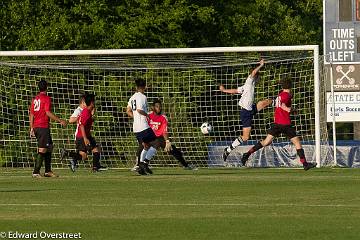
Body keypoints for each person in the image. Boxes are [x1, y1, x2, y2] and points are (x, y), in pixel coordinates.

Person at [241, 78, 317, 171]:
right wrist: (288, 109)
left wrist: (288, 109)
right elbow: (283, 105)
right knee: (297, 142)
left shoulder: (280, 95)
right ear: (291, 86)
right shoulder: (287, 95)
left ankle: (247, 154)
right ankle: (305, 164)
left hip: (277, 123)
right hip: (285, 123)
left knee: (266, 142)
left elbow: (279, 104)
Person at [219, 59, 272, 162]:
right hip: (245, 113)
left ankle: (277, 103)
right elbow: (253, 72)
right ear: (255, 76)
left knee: (264, 102)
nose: (259, 79)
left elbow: (235, 91)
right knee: (246, 137)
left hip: (250, 109)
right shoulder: (249, 80)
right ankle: (228, 149)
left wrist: (224, 90)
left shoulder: (246, 86)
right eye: (258, 77)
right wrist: (261, 65)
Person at [132, 99, 197, 171]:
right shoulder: (148, 115)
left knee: (174, 151)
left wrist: (167, 141)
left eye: (160, 107)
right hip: (149, 137)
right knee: (142, 145)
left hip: (159, 138)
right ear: (153, 107)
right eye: (157, 106)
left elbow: (164, 131)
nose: (159, 108)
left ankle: (186, 165)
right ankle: (138, 165)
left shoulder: (163, 118)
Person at [29, 80, 67, 178]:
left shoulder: (35, 99)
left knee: (50, 147)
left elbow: (32, 114)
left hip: (37, 127)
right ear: (47, 87)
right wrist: (60, 120)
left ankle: (48, 171)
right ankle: (36, 172)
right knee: (42, 149)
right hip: (42, 127)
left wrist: (32, 128)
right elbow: (47, 112)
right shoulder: (46, 98)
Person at [61, 93, 106, 172]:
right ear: (91, 103)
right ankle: (95, 167)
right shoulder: (85, 112)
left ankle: (95, 167)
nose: (94, 103)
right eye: (94, 102)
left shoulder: (87, 111)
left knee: (90, 152)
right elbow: (81, 125)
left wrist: (92, 116)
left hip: (84, 136)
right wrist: (85, 138)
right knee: (88, 153)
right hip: (82, 137)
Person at [126, 79, 158, 175]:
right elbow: (139, 110)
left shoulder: (132, 97)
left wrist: (135, 116)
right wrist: (147, 115)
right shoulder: (142, 97)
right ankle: (144, 163)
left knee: (146, 145)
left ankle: (140, 165)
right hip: (143, 126)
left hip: (135, 128)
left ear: (136, 87)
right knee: (156, 143)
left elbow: (127, 111)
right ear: (145, 87)